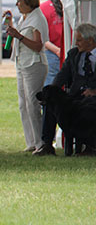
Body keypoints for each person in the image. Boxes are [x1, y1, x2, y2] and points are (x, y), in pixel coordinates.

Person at [33, 23, 96, 156]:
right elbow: (62, 75)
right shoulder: (73, 54)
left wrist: (93, 91)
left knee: (88, 108)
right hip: (74, 96)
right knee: (52, 104)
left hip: (93, 96)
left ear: (90, 40)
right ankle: (47, 145)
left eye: (79, 40)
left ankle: (90, 146)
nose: (76, 43)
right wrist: (51, 92)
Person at [5, 0, 49, 153]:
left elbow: (38, 46)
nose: (17, 4)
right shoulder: (25, 18)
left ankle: (41, 143)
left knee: (33, 103)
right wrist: (10, 24)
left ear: (27, 1)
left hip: (34, 64)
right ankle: (30, 140)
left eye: (19, 1)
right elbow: (16, 34)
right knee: (23, 103)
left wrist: (20, 36)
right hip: (22, 63)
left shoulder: (37, 18)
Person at [40, 0, 64, 86]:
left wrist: (57, 51)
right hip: (57, 52)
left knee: (50, 85)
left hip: (53, 52)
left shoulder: (42, 8)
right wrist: (58, 51)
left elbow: (40, 36)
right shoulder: (70, 7)